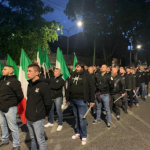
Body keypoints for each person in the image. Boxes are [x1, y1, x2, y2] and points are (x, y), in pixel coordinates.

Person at [66, 61, 95, 145]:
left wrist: (92, 100)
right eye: (76, 66)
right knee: (76, 117)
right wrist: (68, 98)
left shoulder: (87, 76)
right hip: (73, 100)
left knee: (82, 118)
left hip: (82, 100)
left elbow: (91, 88)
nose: (76, 68)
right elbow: (69, 87)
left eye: (78, 67)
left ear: (82, 68)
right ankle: (78, 133)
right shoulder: (73, 75)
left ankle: (84, 136)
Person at [25, 64, 52, 150]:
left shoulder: (44, 85)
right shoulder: (30, 84)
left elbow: (48, 103)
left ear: (37, 73)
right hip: (29, 117)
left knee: (40, 140)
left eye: (30, 71)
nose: (27, 73)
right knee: (33, 139)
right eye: (27, 71)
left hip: (38, 118)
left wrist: (45, 114)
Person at [0, 66, 24, 150]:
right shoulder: (2, 80)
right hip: (1, 107)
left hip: (10, 107)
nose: (2, 70)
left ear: (10, 71)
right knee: (3, 125)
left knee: (13, 127)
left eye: (4, 69)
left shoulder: (14, 81)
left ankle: (16, 145)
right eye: (3, 69)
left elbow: (20, 96)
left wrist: (12, 104)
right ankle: (4, 139)